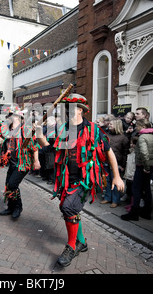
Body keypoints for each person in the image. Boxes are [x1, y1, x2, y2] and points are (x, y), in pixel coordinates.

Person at [36, 94, 124, 267]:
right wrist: (38, 132)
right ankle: (81, 242)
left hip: (86, 179)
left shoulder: (94, 130)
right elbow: (47, 147)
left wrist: (117, 176)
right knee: (71, 209)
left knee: (67, 207)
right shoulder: (62, 129)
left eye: (72, 107)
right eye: (66, 108)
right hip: (66, 179)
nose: (67, 111)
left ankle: (72, 245)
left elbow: (109, 152)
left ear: (81, 110)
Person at [0, 107, 40, 220]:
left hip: (22, 163)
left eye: (11, 116)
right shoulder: (8, 131)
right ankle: (10, 207)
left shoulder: (25, 130)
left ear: (17, 118)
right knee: (8, 185)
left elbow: (35, 147)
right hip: (12, 163)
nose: (9, 119)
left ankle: (18, 207)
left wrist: (36, 161)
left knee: (12, 184)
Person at [121, 119, 153, 221]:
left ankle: (134, 213)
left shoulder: (142, 137)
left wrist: (146, 167)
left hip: (142, 166)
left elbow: (144, 153)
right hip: (149, 166)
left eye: (137, 126)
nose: (135, 128)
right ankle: (147, 212)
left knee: (136, 189)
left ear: (142, 127)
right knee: (147, 189)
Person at [101, 119, 128, 208]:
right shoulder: (106, 135)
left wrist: (123, 165)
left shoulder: (123, 138)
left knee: (115, 181)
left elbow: (125, 153)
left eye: (111, 124)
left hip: (117, 163)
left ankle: (115, 200)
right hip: (106, 161)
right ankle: (108, 197)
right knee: (107, 181)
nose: (109, 125)